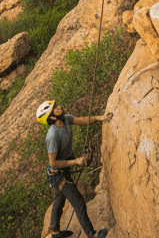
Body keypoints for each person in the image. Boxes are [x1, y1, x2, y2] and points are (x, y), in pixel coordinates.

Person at [37, 99, 113, 238]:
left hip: (63, 170)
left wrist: (98, 118)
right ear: (52, 117)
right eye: (55, 108)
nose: (59, 107)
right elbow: (53, 163)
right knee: (78, 203)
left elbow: (81, 120)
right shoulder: (52, 135)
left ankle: (54, 231)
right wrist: (76, 161)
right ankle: (92, 234)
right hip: (57, 174)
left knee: (60, 198)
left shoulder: (66, 119)